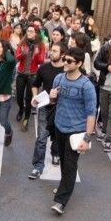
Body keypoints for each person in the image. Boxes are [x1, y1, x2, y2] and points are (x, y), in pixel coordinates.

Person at [49, 47, 96, 215]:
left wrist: (87, 137)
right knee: (63, 161)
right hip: (59, 126)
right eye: (64, 59)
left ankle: (61, 201)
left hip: (76, 132)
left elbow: (91, 113)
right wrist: (52, 96)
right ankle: (64, 186)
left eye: (69, 61)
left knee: (70, 165)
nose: (65, 63)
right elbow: (52, 102)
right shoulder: (59, 78)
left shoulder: (86, 86)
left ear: (79, 64)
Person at [28, 42, 67, 179]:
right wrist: (35, 96)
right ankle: (38, 166)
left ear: (63, 54)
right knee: (41, 138)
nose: (51, 53)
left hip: (61, 108)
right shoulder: (44, 68)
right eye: (51, 50)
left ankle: (55, 153)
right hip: (45, 106)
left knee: (58, 135)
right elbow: (35, 84)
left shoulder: (67, 70)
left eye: (55, 51)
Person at [15, 25, 46, 132]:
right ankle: (20, 109)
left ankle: (26, 119)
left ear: (36, 33)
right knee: (19, 97)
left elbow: (41, 61)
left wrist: (37, 54)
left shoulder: (41, 45)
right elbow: (17, 57)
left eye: (31, 31)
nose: (29, 32)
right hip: (21, 74)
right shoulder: (23, 43)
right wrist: (23, 53)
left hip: (32, 75)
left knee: (28, 99)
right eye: (28, 30)